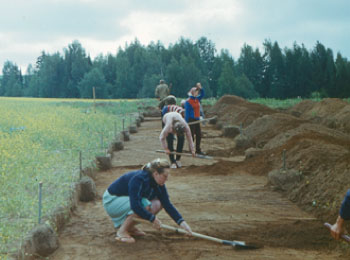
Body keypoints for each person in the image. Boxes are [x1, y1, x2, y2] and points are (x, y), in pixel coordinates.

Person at [103, 158, 192, 243]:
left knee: (158, 204)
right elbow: (135, 205)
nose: (167, 179)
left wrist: (182, 223)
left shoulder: (159, 183)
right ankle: (122, 231)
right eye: (165, 176)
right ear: (156, 173)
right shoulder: (139, 178)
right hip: (111, 201)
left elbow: (167, 204)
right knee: (145, 205)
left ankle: (130, 227)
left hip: (125, 201)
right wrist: (152, 218)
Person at [184, 82, 205, 155]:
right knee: (191, 135)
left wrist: (200, 87)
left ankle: (198, 149)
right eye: (196, 92)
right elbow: (186, 113)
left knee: (199, 134)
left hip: (197, 119)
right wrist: (186, 122)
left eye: (197, 92)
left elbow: (202, 94)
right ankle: (191, 150)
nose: (197, 93)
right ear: (192, 92)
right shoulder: (188, 102)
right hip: (191, 120)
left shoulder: (197, 99)